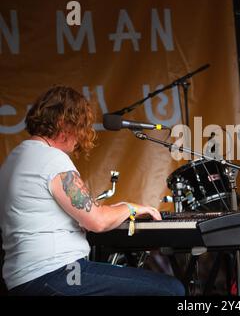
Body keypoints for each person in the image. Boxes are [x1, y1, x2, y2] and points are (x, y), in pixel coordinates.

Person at [0, 86, 185, 296]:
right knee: (170, 290)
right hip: (58, 274)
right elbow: (97, 221)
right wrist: (131, 207)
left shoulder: (15, 159)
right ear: (64, 123)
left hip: (27, 279)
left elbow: (79, 212)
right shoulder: (52, 160)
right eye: (80, 127)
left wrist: (110, 210)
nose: (81, 137)